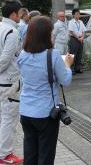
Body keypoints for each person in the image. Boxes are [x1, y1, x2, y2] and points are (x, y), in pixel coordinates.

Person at [17, 16, 73, 165]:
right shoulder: (52, 54)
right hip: (46, 113)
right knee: (46, 157)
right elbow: (65, 80)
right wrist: (67, 65)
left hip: (26, 111)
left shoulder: (23, 54)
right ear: (46, 34)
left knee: (30, 154)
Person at [0, 0, 24, 164]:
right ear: (14, 14)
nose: (21, 16)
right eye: (21, 13)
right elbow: (6, 58)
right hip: (8, 81)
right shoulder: (12, 31)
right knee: (8, 119)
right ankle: (5, 154)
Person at [68, 9, 87, 74]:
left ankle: (77, 68)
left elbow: (84, 30)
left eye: (79, 14)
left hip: (80, 39)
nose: (78, 15)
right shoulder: (71, 22)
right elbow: (71, 31)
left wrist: (82, 37)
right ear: (73, 15)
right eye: (77, 14)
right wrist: (78, 38)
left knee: (79, 54)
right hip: (74, 39)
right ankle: (71, 69)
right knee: (73, 54)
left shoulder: (80, 22)